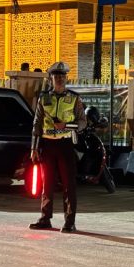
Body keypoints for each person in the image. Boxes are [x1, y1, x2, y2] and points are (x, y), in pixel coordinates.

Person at [29, 61, 86, 233]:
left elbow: (83, 122)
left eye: (62, 76)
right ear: (51, 78)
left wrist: (67, 126)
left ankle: (70, 221)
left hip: (65, 144)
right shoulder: (43, 98)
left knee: (69, 184)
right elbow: (37, 124)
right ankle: (45, 218)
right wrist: (34, 148)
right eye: (56, 76)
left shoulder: (75, 98)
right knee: (47, 183)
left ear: (66, 78)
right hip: (47, 145)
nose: (60, 79)